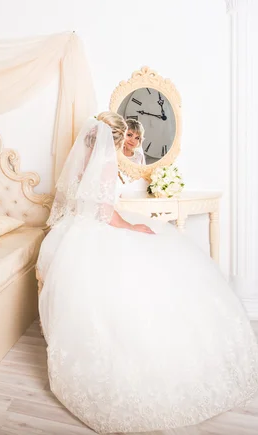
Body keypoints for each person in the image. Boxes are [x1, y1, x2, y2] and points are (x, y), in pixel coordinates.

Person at [36, 111, 258, 434]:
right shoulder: (108, 163)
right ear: (115, 140)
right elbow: (105, 212)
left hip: (75, 231)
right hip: (100, 228)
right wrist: (132, 226)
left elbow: (85, 205)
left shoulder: (85, 161)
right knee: (150, 263)